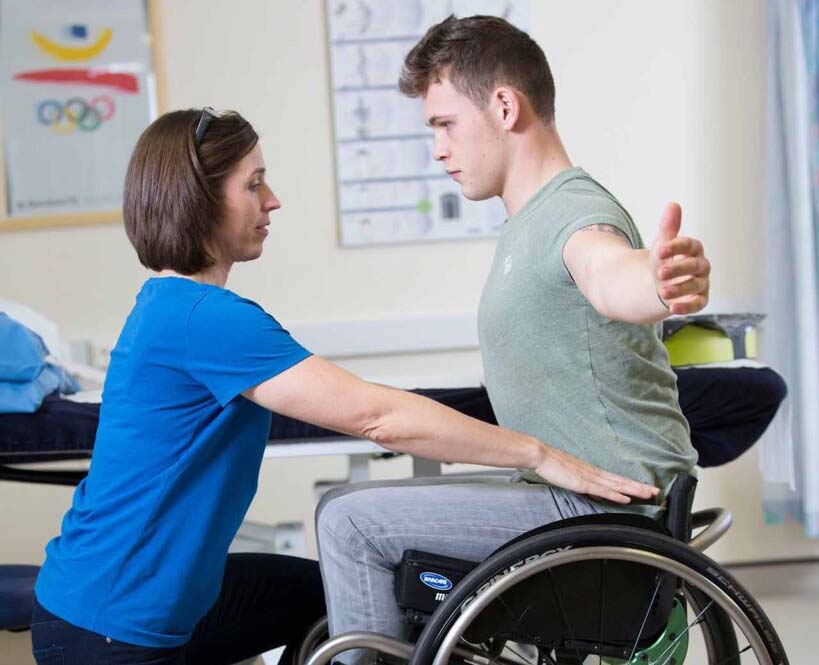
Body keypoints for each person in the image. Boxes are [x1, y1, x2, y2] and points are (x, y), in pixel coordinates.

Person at [31, 109, 656, 665]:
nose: (272, 200)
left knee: (332, 598)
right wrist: (540, 454)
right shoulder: (202, 318)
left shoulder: (176, 308)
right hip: (107, 631)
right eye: (253, 184)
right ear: (199, 200)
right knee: (345, 556)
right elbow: (375, 416)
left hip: (143, 601)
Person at [315, 15, 712, 663]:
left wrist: (659, 282)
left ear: (503, 105)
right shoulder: (527, 222)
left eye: (443, 123)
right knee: (363, 513)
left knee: (348, 520)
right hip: (564, 502)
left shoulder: (573, 212)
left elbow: (610, 274)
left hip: (598, 515)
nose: (437, 148)